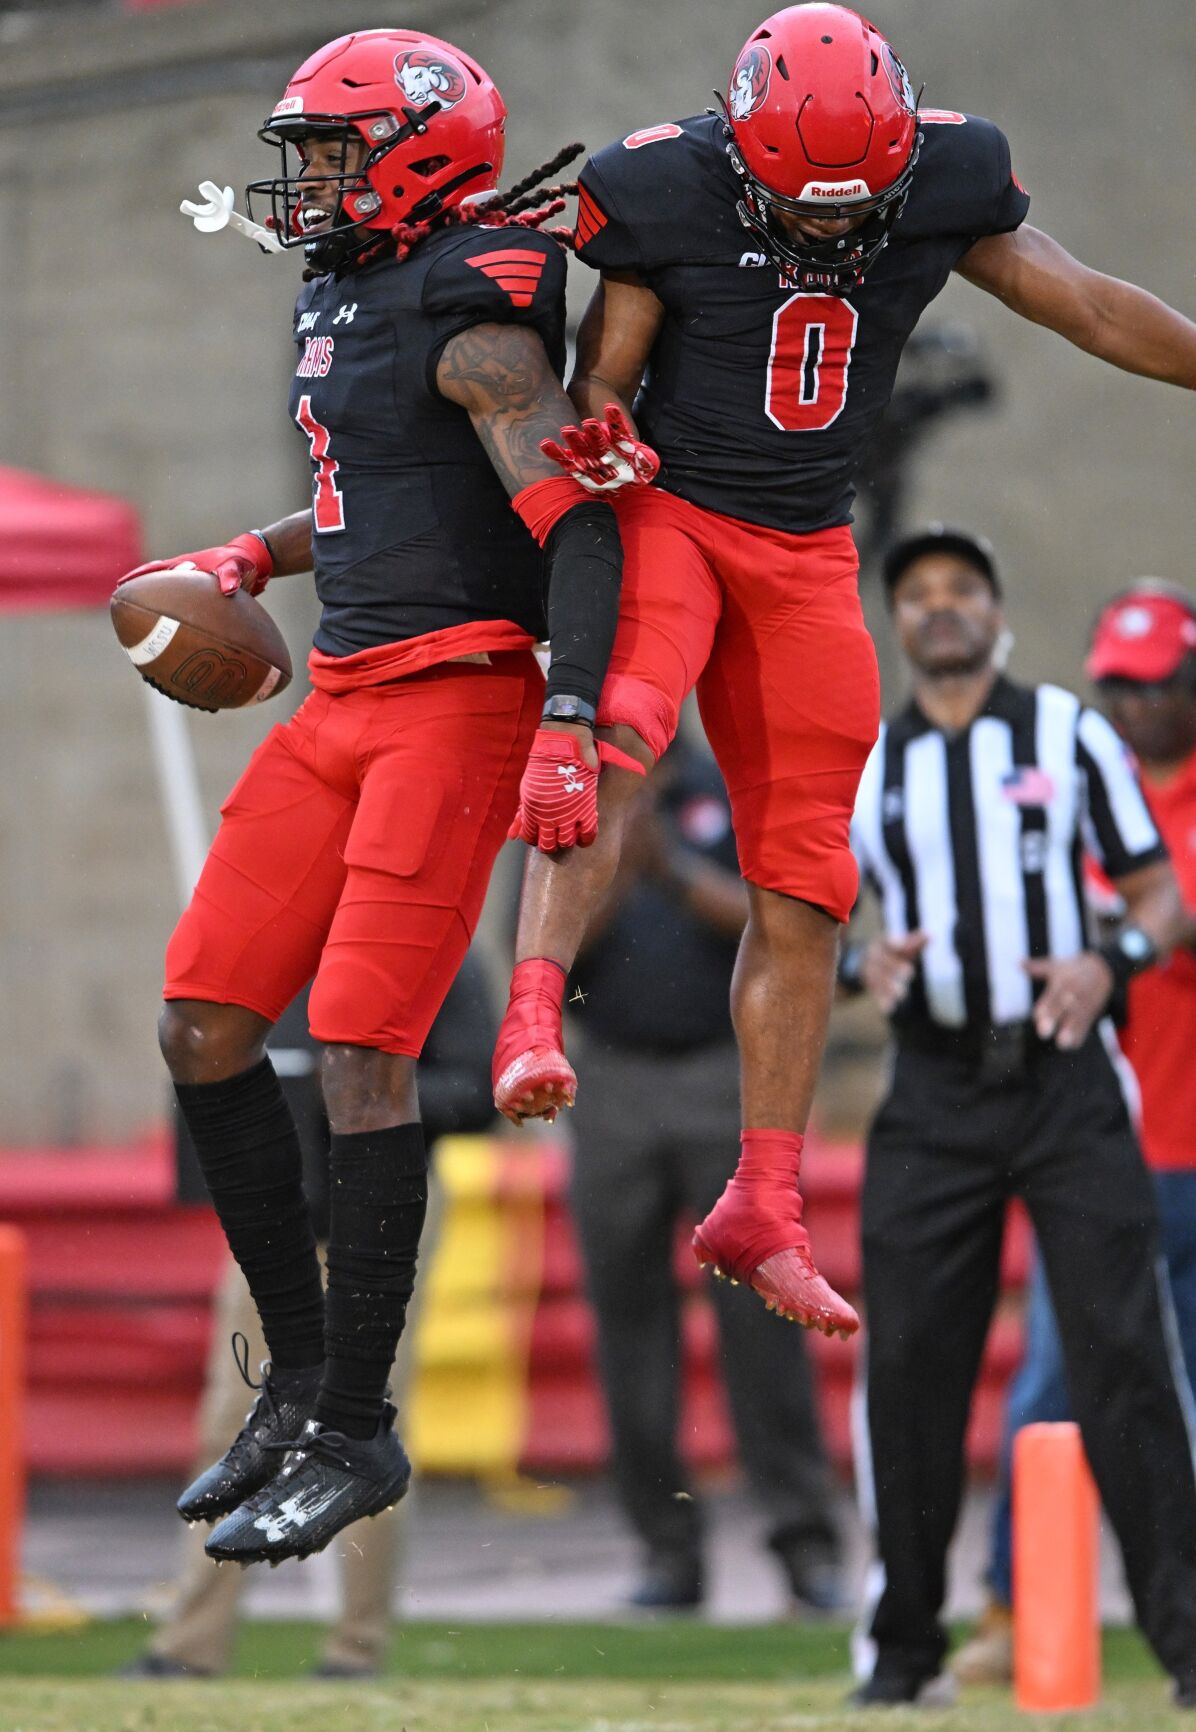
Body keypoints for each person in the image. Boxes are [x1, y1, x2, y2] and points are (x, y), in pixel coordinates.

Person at [491, 1, 1196, 1343]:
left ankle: (765, 1201)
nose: (829, 228)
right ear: (740, 150)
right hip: (681, 520)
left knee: (810, 874)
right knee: (621, 734)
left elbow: (1090, 306)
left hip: (809, 548)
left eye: (855, 202)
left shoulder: (948, 180)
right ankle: (534, 1011)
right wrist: (605, 436)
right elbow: (603, 384)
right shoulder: (661, 187)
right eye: (801, 204)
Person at [116, 28, 631, 1569]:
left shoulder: (486, 304)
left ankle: (357, 1422)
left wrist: (567, 708)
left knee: (361, 1045)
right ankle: (296, 1386)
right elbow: (367, 478)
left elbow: (570, 516)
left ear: (416, 150)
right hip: (342, 691)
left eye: (333, 151)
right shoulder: (344, 290)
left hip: (459, 694)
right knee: (203, 1020)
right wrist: (245, 557)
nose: (308, 181)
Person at [840, 525, 1196, 1710]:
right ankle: (901, 1650)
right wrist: (857, 962)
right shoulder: (867, 762)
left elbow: (1154, 891)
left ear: (996, 613)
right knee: (906, 1367)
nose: (940, 609)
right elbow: (809, 917)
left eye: (961, 590)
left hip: (1062, 1076)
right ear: (897, 623)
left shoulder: (1068, 733)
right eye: (919, 594)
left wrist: (1114, 959)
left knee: (1122, 1358)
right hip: (931, 1085)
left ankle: (1186, 1644)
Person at [122, 952, 495, 1680]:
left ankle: (356, 1647)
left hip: (380, 1211)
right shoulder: (276, 947)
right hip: (275, 1214)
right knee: (232, 1420)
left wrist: (366, 1088)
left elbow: (478, 1091)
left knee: (361, 1422)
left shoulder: (430, 941)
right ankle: (190, 1645)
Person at [954, 579, 1196, 1688]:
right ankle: (1014, 1601)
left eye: (1151, 685)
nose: (1130, 705)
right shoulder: (1080, 803)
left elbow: (1160, 917)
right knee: (1059, 1379)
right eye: (1114, 685)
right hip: (1106, 1150)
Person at [565, 736, 845, 1613]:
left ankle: (806, 1548)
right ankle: (667, 1552)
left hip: (723, 1074)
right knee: (628, 1323)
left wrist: (671, 868)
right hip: (609, 1082)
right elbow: (539, 951)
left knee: (759, 1319)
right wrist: (616, 865)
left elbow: (786, 922)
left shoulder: (734, 782)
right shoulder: (567, 799)